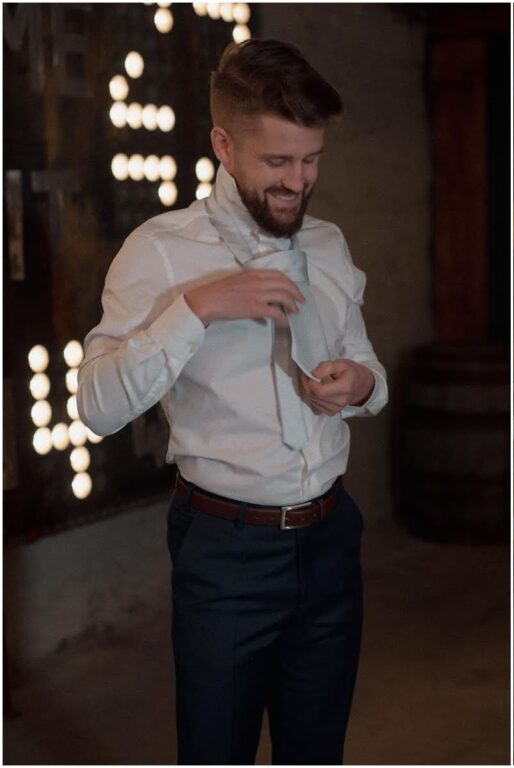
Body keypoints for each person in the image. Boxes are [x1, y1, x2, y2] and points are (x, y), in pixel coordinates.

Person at [78, 39, 387, 764]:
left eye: (310, 161)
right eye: (277, 163)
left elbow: (366, 361)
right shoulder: (158, 253)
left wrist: (361, 384)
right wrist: (199, 306)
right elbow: (93, 407)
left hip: (332, 540)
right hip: (227, 553)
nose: (297, 182)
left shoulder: (331, 244)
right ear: (223, 143)